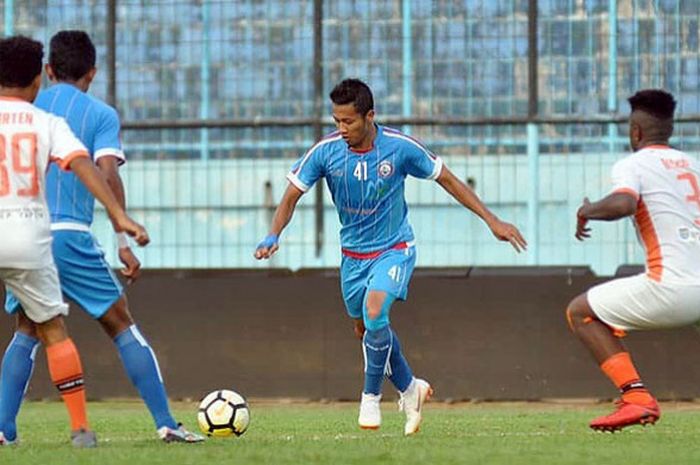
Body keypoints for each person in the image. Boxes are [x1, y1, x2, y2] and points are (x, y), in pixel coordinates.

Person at [255, 78, 527, 435]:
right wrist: (274, 233)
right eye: (336, 121)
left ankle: (370, 398)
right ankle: (410, 388)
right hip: (352, 257)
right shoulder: (325, 151)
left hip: (394, 248)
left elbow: (447, 179)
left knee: (374, 310)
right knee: (367, 328)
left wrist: (492, 220)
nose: (342, 129)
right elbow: (290, 196)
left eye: (348, 121)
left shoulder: (399, 148)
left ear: (370, 116)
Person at [0, 31, 203, 444]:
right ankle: (166, 422)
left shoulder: (28, 104)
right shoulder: (98, 115)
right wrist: (122, 233)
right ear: (91, 73)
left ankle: (4, 429)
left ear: (50, 71)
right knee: (119, 321)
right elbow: (106, 171)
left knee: (28, 328)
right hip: (67, 235)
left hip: (16, 228)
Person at [567, 89, 700, 431]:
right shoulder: (693, 164)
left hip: (672, 287)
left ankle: (636, 396)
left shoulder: (633, 164)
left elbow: (624, 203)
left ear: (636, 131)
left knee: (581, 312)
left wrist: (587, 210)